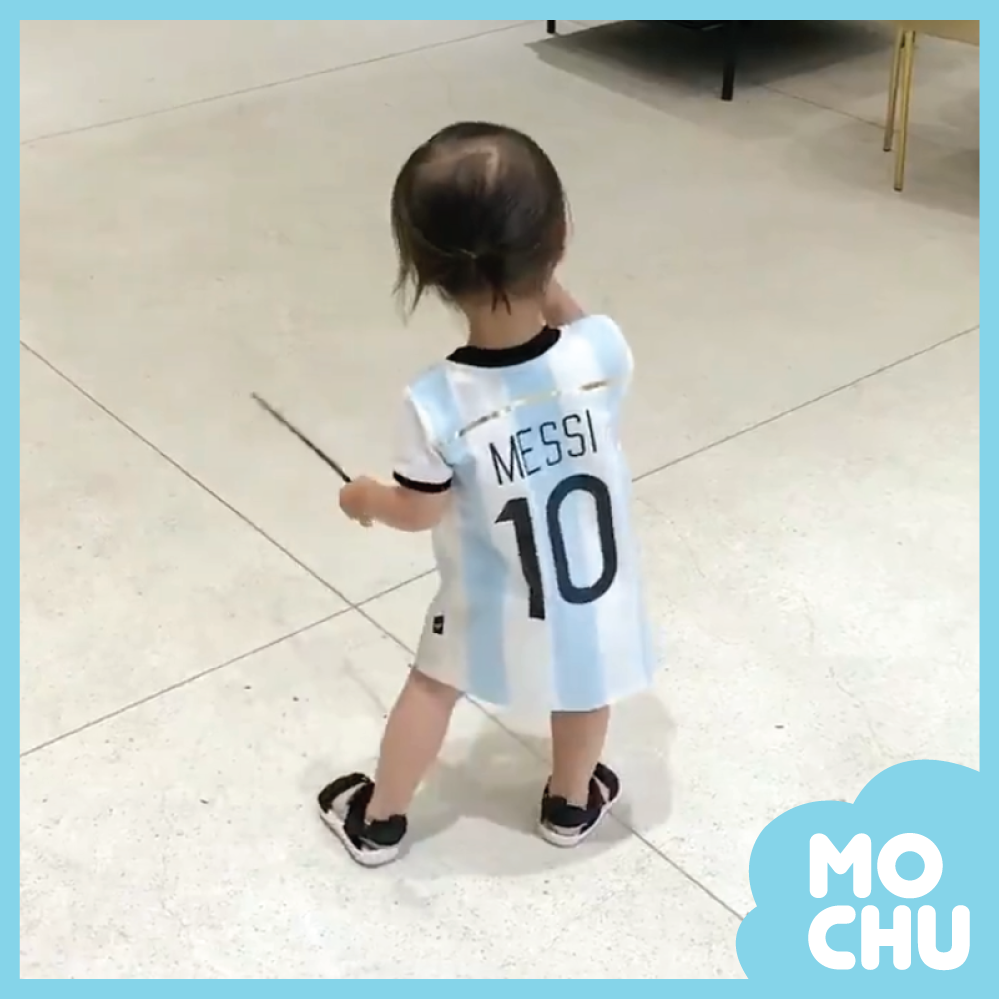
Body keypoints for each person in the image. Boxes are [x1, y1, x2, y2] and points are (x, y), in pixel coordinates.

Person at [318, 121, 656, 867]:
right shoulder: (603, 352)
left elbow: (420, 510)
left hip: (491, 601)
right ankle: (570, 802)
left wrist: (365, 497)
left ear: (424, 269)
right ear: (560, 237)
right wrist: (540, 273)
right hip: (591, 594)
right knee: (584, 687)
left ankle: (380, 818)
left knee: (432, 686)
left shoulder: (436, 400)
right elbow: (575, 321)